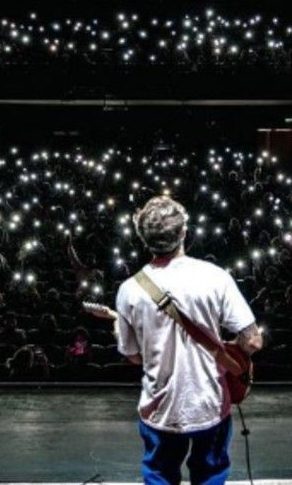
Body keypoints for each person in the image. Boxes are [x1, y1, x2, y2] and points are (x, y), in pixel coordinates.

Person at [111, 196, 263, 485]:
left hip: (159, 408)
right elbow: (253, 342)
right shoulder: (215, 277)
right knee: (210, 476)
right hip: (210, 403)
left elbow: (132, 357)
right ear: (183, 233)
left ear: (144, 238)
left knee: (159, 476)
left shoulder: (129, 290)